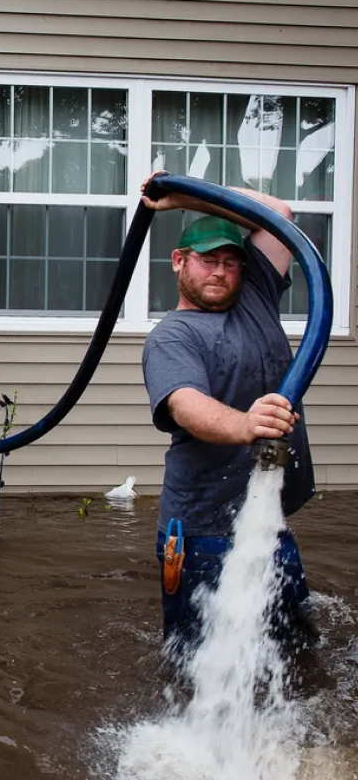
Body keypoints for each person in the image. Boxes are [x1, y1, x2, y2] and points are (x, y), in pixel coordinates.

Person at [140, 171, 316, 658]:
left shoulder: (255, 295)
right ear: (179, 262)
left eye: (230, 262)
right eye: (207, 260)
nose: (220, 271)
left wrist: (184, 198)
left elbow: (277, 213)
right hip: (201, 533)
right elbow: (185, 404)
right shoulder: (172, 337)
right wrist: (245, 425)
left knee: (293, 654)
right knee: (195, 662)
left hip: (266, 520)